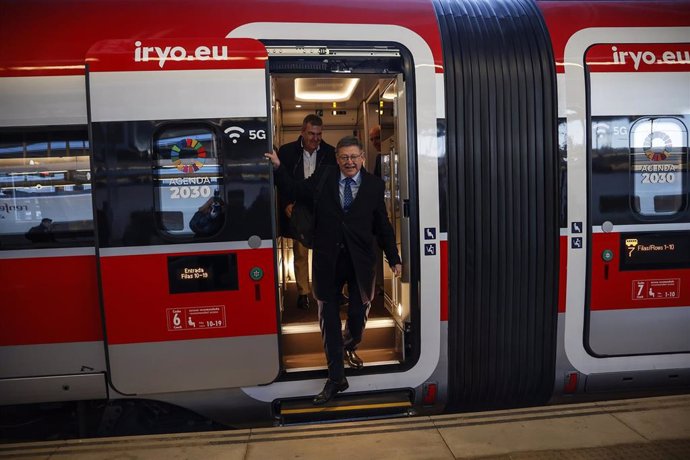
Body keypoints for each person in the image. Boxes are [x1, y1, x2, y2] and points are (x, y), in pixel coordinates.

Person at [266, 136, 402, 405]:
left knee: (358, 313)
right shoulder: (324, 176)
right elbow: (294, 189)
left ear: (363, 157)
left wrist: (394, 257)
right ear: (337, 158)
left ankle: (349, 344)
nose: (349, 162)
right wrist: (279, 166)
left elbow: (383, 225)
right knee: (327, 318)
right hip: (327, 258)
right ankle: (336, 377)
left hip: (361, 260)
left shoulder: (375, 185)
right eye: (344, 157)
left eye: (354, 157)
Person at [277, 114, 336, 311]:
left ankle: (327, 290)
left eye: (319, 134)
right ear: (302, 131)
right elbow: (281, 182)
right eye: (311, 133)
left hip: (323, 209)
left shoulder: (330, 153)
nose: (315, 138)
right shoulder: (286, 152)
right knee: (300, 252)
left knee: (327, 253)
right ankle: (303, 293)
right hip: (298, 208)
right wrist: (286, 203)